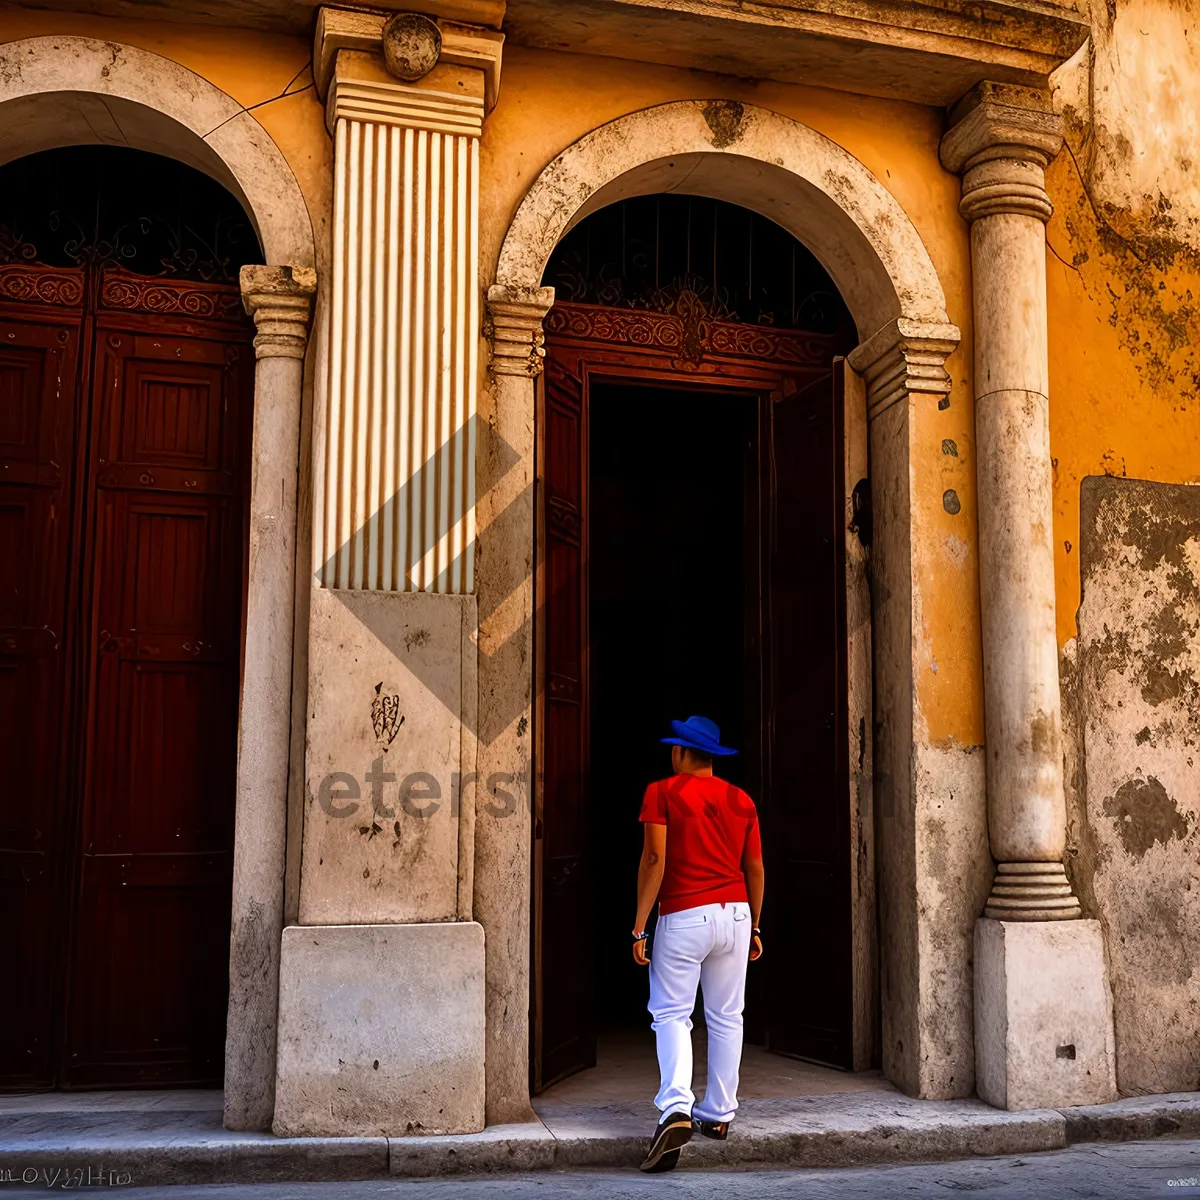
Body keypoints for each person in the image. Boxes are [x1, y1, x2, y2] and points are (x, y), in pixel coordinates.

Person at [632, 714, 765, 1173]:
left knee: (671, 1013)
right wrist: (756, 928)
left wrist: (638, 925)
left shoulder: (663, 792)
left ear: (681, 753)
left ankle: (676, 1109)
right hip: (737, 913)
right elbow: (756, 870)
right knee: (728, 1015)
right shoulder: (742, 799)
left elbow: (654, 858)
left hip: (685, 914)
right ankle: (719, 1114)